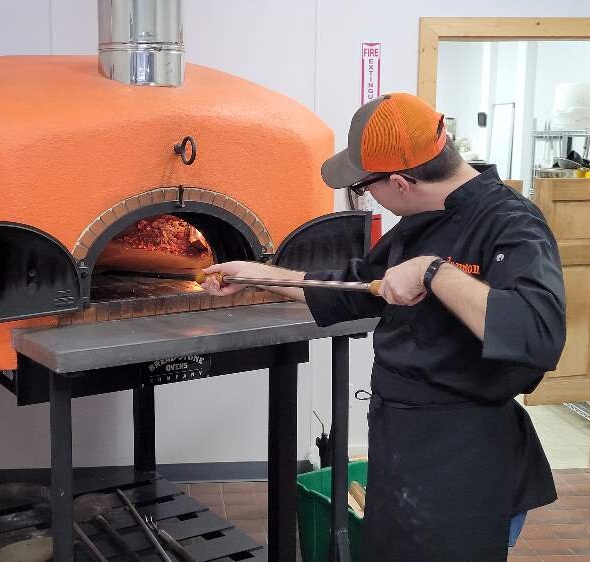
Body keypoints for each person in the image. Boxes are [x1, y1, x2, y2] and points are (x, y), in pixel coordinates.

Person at [201, 93, 565, 561]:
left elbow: (537, 332)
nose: (366, 196)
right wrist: (259, 275)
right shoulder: (418, 220)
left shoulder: (511, 222)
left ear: (400, 181)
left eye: (364, 186)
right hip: (400, 444)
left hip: (464, 455)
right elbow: (353, 286)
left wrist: (434, 272)